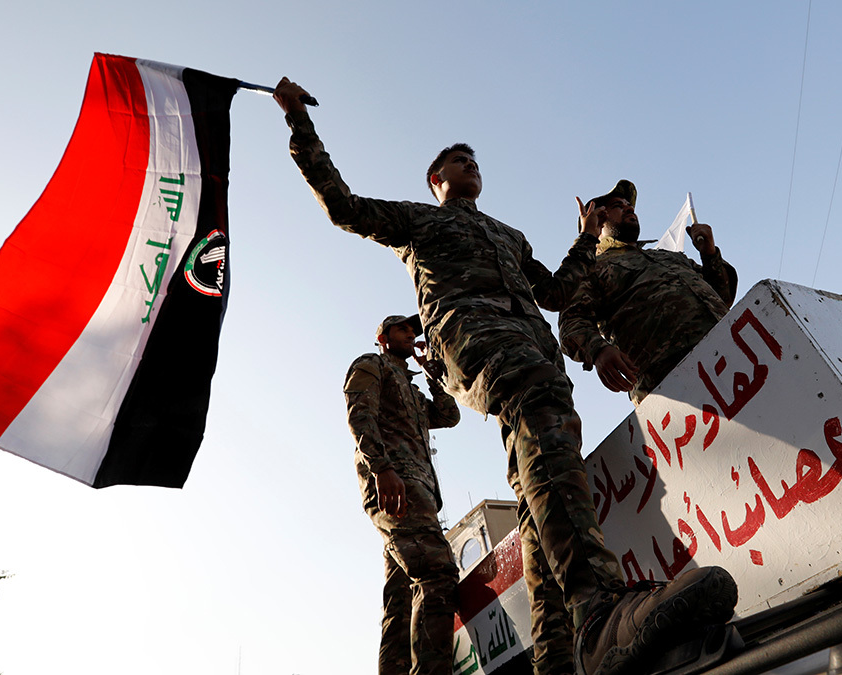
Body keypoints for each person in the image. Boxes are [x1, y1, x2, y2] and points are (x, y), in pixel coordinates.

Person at [274, 79, 738, 675]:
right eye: (456, 161)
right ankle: (597, 612)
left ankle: (559, 659)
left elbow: (556, 292)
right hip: (480, 346)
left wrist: (584, 237)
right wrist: (297, 121)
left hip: (533, 353)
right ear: (434, 180)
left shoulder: (508, 235)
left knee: (535, 498)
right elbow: (343, 206)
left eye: (474, 160)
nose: (470, 164)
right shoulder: (418, 222)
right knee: (542, 411)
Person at [346, 314, 461, 675]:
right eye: (403, 330)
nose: (411, 334)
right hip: (396, 485)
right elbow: (359, 415)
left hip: (416, 490)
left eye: (414, 331)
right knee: (437, 574)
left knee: (401, 602)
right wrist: (381, 468)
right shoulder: (371, 364)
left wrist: (431, 373)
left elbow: (449, 414)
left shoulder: (412, 389)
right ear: (383, 337)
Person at [560, 180, 738, 405]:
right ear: (598, 221)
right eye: (618, 205)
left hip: (732, 352)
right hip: (671, 383)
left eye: (629, 204)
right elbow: (571, 322)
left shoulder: (668, 257)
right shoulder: (591, 267)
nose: (629, 207)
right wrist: (598, 350)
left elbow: (722, 297)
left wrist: (710, 254)